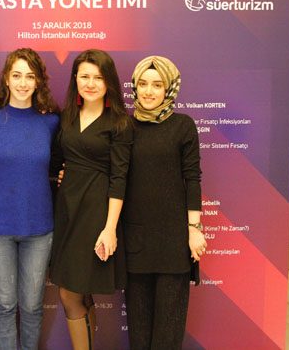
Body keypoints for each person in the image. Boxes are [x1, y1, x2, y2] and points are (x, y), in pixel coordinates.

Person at [49, 49, 132, 350]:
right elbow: (55, 161)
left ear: (109, 82)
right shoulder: (66, 117)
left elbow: (119, 178)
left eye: (98, 77)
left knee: (69, 293)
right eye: (84, 76)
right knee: (79, 291)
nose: (91, 83)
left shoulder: (119, 123)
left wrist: (109, 228)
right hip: (67, 211)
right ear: (75, 79)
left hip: (97, 213)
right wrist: (60, 175)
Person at [123, 56, 207, 349]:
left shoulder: (183, 126)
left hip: (173, 242)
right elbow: (112, 176)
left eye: (157, 85)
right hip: (136, 241)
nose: (149, 91)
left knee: (168, 335)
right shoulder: (125, 126)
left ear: (169, 88)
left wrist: (194, 229)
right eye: (143, 84)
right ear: (134, 86)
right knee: (139, 333)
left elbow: (192, 178)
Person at [0, 48, 60, 350]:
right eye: (17, 75)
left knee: (32, 306)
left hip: (39, 229)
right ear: (6, 79)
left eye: (30, 76)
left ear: (38, 81)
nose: (23, 83)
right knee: (3, 304)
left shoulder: (51, 123)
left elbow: (62, 164)